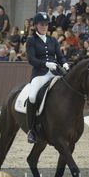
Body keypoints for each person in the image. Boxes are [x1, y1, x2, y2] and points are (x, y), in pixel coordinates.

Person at [25, 12, 69, 143]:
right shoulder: (31, 40)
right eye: (41, 24)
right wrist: (44, 63)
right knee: (32, 96)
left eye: (46, 24)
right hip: (39, 73)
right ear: (36, 26)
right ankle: (31, 130)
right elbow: (31, 59)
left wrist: (65, 63)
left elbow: (59, 56)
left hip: (55, 71)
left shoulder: (53, 40)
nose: (44, 27)